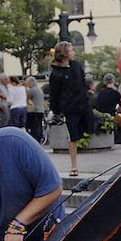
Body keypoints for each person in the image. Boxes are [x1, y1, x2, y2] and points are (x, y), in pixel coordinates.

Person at [50, 40, 95, 176]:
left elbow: (81, 81)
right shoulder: (56, 74)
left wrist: (86, 93)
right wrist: (56, 111)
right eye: (71, 50)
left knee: (91, 128)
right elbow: (54, 94)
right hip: (70, 108)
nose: (73, 53)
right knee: (73, 137)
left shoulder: (76, 66)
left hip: (83, 103)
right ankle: (74, 165)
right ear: (64, 53)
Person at [25, 76, 45, 144]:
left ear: (31, 83)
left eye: (27, 82)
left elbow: (27, 99)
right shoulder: (40, 89)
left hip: (34, 111)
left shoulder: (32, 90)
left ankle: (34, 139)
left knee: (34, 127)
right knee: (38, 125)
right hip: (40, 110)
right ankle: (39, 138)